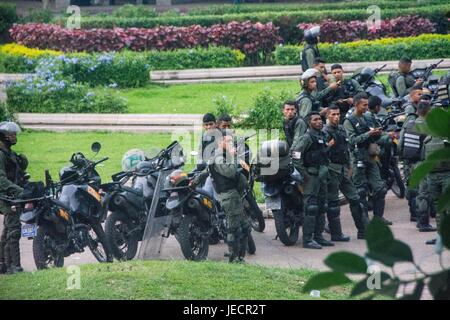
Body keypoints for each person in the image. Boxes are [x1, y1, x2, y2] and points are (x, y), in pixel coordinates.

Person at [191, 130, 251, 262]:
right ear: (220, 142)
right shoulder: (219, 157)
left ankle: (239, 256)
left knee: (244, 227)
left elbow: (206, 171)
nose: (230, 143)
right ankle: (234, 258)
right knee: (234, 229)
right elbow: (229, 172)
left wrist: (194, 183)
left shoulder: (220, 156)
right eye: (228, 141)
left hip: (233, 195)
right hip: (228, 197)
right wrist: (233, 156)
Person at [343, 93, 392, 225]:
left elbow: (372, 136)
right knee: (361, 191)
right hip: (357, 158)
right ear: (356, 105)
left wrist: (377, 133)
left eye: (367, 105)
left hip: (370, 157)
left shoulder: (366, 118)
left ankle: (378, 218)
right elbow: (352, 140)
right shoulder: (349, 121)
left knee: (380, 188)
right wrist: (368, 134)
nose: (366, 107)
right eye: (364, 105)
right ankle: (364, 221)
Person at [323, 106, 369, 240]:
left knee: (356, 199)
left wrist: (349, 166)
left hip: (344, 169)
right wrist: (328, 146)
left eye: (338, 114)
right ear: (328, 116)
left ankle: (363, 231)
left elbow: (347, 148)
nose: (336, 117)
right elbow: (320, 153)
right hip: (332, 170)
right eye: (333, 114)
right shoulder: (325, 132)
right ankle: (336, 234)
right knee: (333, 204)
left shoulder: (342, 129)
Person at [292, 111, 334, 249]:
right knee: (310, 208)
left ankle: (319, 236)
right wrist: (305, 175)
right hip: (311, 177)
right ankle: (307, 239)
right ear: (309, 122)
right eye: (315, 120)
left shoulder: (321, 136)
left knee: (322, 207)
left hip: (321, 177)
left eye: (320, 119)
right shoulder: (306, 138)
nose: (319, 121)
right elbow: (296, 156)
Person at [399, 100, 436, 232]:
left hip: (409, 163)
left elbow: (400, 144)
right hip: (423, 163)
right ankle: (423, 222)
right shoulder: (429, 126)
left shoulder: (409, 124)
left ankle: (414, 215)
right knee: (424, 194)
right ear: (428, 111)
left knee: (412, 190)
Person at [0, 122, 28, 274]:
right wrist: (18, 191)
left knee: (8, 229)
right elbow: (1, 179)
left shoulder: (10, 153)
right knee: (14, 230)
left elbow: (17, 173)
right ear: (4, 136)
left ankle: (2, 263)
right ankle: (14, 266)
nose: (14, 137)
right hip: (5, 197)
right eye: (12, 134)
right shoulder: (0, 154)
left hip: (12, 195)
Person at [399, 84, 423, 221]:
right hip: (411, 155)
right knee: (413, 185)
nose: (420, 97)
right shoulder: (411, 113)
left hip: (413, 154)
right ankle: (415, 213)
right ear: (411, 96)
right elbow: (405, 133)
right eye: (418, 94)